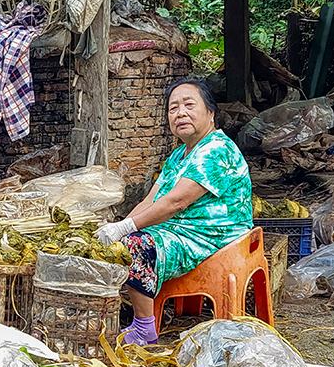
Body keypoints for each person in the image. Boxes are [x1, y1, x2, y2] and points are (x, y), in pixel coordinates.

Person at [95, 77, 253, 346]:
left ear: (210, 112)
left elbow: (177, 202)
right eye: (173, 108)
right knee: (122, 240)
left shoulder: (217, 148)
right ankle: (131, 310)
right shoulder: (179, 155)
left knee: (135, 245)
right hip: (180, 230)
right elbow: (152, 200)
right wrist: (120, 224)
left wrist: (127, 229)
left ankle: (144, 328)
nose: (180, 113)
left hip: (212, 235)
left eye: (189, 105)